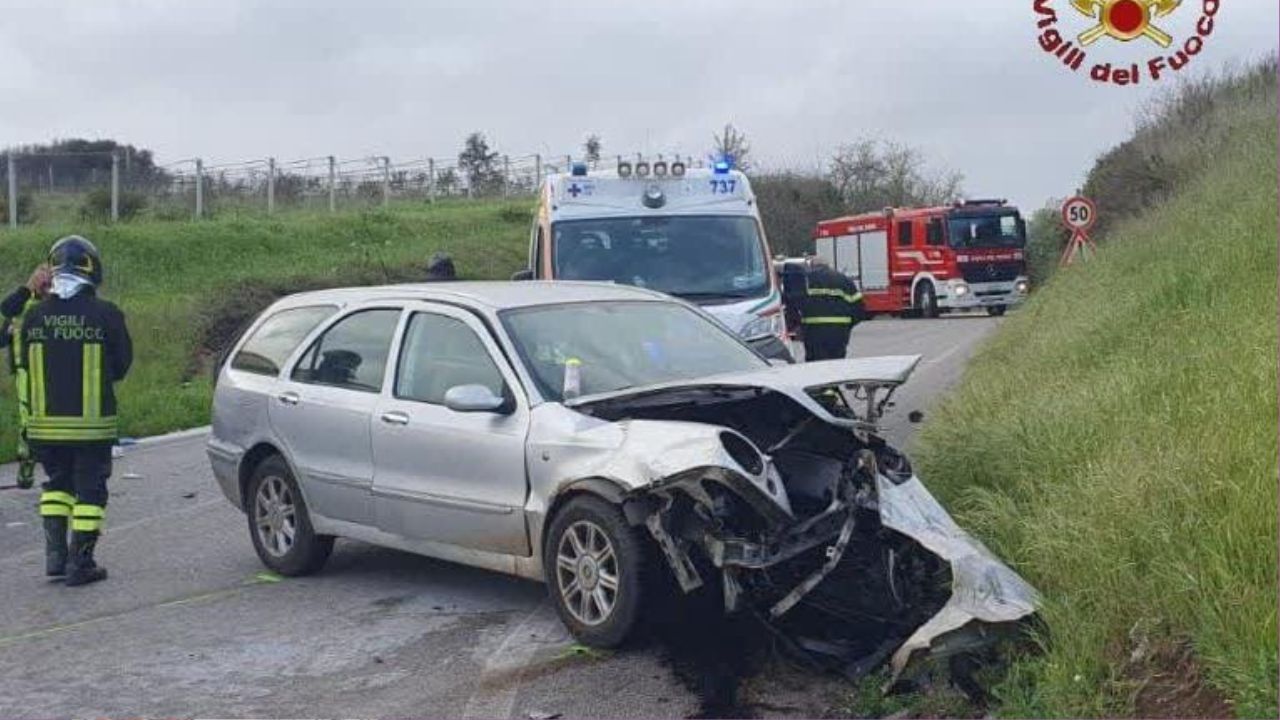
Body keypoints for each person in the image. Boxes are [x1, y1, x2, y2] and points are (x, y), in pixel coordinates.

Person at [26, 236, 132, 586]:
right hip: (91, 427)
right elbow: (121, 365)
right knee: (90, 491)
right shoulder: (106, 314)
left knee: (56, 486)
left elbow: (20, 360)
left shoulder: (34, 316)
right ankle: (81, 563)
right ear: (92, 268)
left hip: (45, 426)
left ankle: (55, 558)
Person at [0, 264, 52, 488]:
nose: (46, 288)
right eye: (43, 282)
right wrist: (27, 287)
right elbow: (2, 333)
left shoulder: (61, 303)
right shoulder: (20, 303)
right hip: (26, 372)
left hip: (55, 370)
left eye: (50, 283)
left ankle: (59, 467)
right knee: (28, 421)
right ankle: (27, 463)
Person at [799, 256, 866, 361]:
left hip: (813, 331)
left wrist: (799, 326)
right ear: (828, 265)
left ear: (811, 266)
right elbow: (859, 309)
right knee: (836, 363)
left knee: (814, 365)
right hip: (838, 332)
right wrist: (847, 325)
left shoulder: (805, 281)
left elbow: (795, 304)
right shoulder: (843, 280)